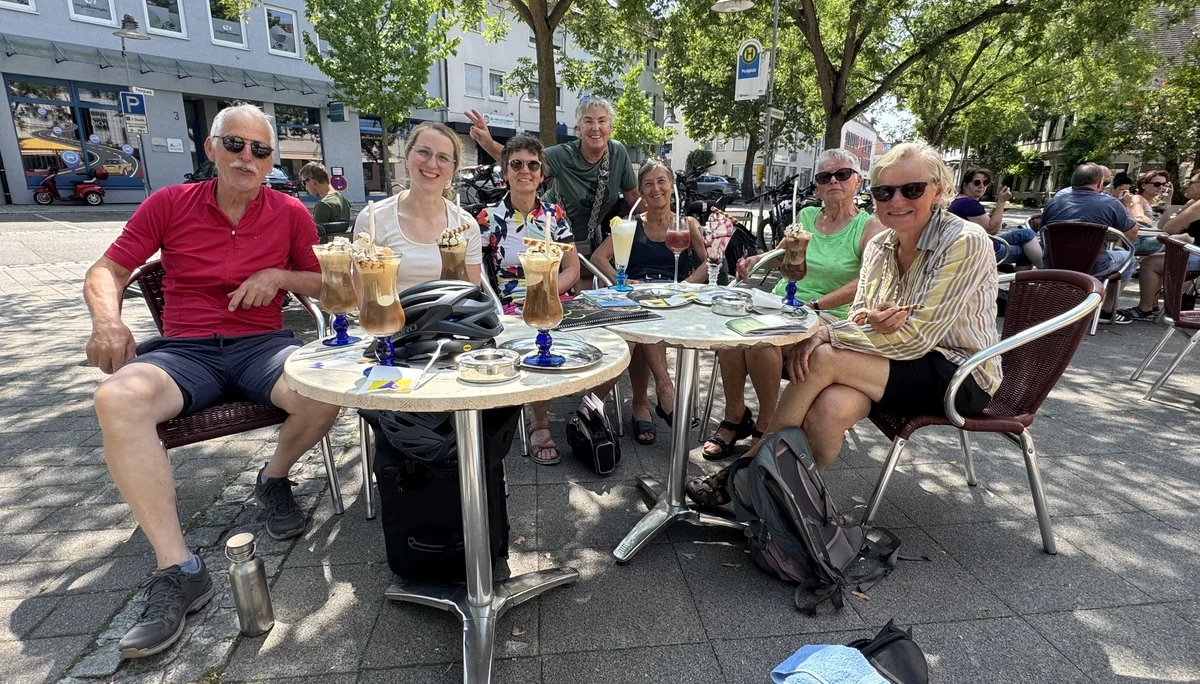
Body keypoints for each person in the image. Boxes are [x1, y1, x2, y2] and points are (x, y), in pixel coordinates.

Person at [84, 104, 342, 658]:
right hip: (186, 353)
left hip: (262, 347)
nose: (247, 157)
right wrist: (107, 320)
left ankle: (273, 478)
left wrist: (278, 275)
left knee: (326, 391)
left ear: (271, 161)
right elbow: (109, 269)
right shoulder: (169, 203)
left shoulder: (290, 211)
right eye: (235, 144)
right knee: (116, 398)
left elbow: (323, 283)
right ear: (211, 148)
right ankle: (179, 569)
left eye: (260, 150)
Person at [686, 142, 1001, 505]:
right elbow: (860, 314)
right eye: (885, 192)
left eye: (912, 189)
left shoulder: (964, 240)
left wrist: (825, 332)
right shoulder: (881, 244)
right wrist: (866, 323)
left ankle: (745, 471)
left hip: (959, 374)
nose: (897, 200)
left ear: (939, 190)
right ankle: (784, 500)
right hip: (891, 359)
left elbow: (917, 337)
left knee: (822, 356)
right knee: (829, 409)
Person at [701, 149, 884, 459]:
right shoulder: (807, 216)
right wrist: (755, 260)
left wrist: (815, 305)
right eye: (824, 177)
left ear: (857, 180)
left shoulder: (869, 227)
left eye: (842, 174)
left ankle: (766, 425)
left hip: (827, 315)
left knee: (762, 341)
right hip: (784, 304)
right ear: (817, 186)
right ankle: (735, 415)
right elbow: (781, 257)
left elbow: (866, 282)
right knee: (733, 333)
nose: (833, 181)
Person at [476, 134, 580, 464]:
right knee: (538, 334)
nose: (525, 171)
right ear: (505, 171)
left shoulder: (554, 215)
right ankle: (539, 423)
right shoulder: (488, 217)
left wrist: (546, 293)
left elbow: (572, 268)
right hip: (509, 305)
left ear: (541, 173)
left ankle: (589, 413)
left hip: (554, 297)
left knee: (610, 342)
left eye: (532, 165)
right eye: (517, 164)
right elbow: (474, 273)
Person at [590, 159, 707, 444]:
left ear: (672, 186)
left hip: (676, 300)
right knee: (639, 320)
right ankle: (663, 391)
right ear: (640, 192)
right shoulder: (630, 225)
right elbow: (599, 257)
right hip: (637, 298)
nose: (656, 188)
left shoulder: (686, 224)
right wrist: (621, 280)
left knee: (638, 326)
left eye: (662, 181)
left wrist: (684, 286)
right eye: (648, 184)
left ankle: (632, 403)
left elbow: (709, 263)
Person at [467, 97, 638, 256]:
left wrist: (652, 220)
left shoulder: (618, 153)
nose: (595, 127)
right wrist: (488, 143)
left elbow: (633, 196)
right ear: (579, 128)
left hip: (586, 242)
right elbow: (522, 160)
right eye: (588, 121)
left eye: (602, 121)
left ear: (610, 127)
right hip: (548, 233)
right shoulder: (564, 155)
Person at [355, 122, 481, 290]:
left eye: (443, 158)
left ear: (453, 169)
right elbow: (362, 294)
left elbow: (471, 293)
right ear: (408, 156)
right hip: (390, 308)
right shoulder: (373, 219)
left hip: (452, 308)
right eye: (423, 152)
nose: (432, 163)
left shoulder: (466, 225)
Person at [1041, 162, 1138, 324]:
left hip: (1054, 263)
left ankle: (1061, 305)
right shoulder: (1111, 204)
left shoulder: (1053, 202)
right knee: (1129, 258)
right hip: (1094, 266)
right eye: (1105, 183)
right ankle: (1106, 310)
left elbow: (1043, 231)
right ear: (1099, 183)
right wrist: (1126, 206)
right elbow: (1132, 235)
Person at [1121, 171, 1200, 321]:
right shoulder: (1194, 204)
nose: (1186, 186)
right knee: (1159, 259)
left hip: (1197, 255)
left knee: (1149, 263)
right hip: (1195, 250)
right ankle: (1153, 306)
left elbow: (1169, 228)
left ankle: (1145, 309)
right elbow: (1167, 226)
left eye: (1192, 183)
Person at [948, 167, 1043, 268]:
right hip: (979, 248)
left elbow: (982, 224)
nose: (981, 186)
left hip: (976, 242)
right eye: (977, 182)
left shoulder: (960, 201)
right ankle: (1044, 271)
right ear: (965, 185)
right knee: (1025, 252)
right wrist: (1001, 202)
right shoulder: (968, 203)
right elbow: (992, 230)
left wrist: (997, 210)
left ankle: (1044, 270)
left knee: (1026, 233)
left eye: (985, 182)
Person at [299, 161, 351, 238]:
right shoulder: (343, 200)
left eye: (304, 183)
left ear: (312, 181)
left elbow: (314, 236)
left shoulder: (323, 205)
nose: (306, 188)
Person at [1128, 170, 1172, 256]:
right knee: (1178, 243)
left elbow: (1165, 224)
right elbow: (1139, 217)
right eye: (1157, 184)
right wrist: (1156, 226)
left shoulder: (1157, 201)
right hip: (1140, 240)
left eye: (1164, 184)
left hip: (1154, 237)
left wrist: (1169, 200)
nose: (1161, 187)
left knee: (1180, 241)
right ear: (1144, 185)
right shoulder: (1137, 198)